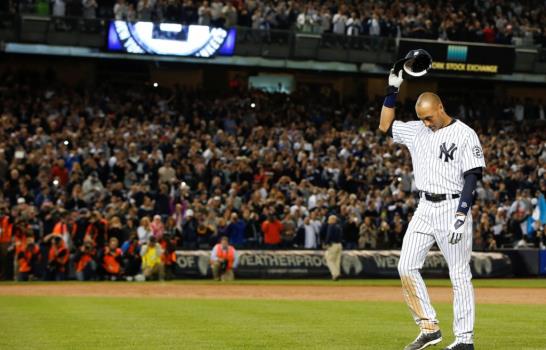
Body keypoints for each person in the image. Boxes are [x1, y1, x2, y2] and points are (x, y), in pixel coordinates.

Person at [379, 68, 485, 350]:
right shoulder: (417, 130)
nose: (425, 123)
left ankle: (464, 340)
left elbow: (472, 175)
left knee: (459, 274)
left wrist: (462, 213)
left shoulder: (465, 134)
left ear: (440, 107)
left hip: (453, 206)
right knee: (406, 266)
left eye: (429, 116)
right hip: (425, 206)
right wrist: (392, 91)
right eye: (421, 118)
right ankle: (429, 327)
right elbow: (385, 127)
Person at [324, 215, 342, 281]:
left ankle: (335, 274)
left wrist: (326, 243)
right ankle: (336, 274)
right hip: (339, 244)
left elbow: (329, 235)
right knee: (337, 261)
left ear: (333, 220)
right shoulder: (339, 226)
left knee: (329, 260)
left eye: (330, 219)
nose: (328, 221)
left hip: (333, 245)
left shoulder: (331, 226)